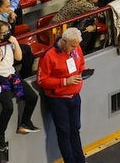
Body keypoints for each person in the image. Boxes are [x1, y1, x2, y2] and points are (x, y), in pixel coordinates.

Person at [0, 19, 39, 154]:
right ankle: (0, 136)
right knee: (8, 107)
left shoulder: (9, 42)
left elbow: (19, 58)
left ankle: (25, 122)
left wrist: (15, 42)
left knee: (32, 97)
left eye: (8, 31)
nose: (7, 34)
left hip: (12, 75)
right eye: (4, 33)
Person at [38, 26, 87, 163]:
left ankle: (80, 160)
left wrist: (82, 73)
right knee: (64, 132)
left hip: (75, 97)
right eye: (72, 46)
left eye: (77, 46)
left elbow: (81, 64)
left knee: (75, 129)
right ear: (64, 41)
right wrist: (65, 81)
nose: (75, 49)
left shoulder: (76, 48)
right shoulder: (49, 55)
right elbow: (42, 80)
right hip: (58, 100)